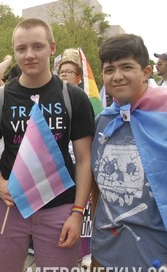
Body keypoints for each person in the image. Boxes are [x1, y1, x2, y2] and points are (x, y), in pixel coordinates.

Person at [0, 18, 94, 271]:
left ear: (52, 47)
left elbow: (85, 160)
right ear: (14, 51)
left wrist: (78, 213)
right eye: (21, 49)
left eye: (37, 46)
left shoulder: (73, 97)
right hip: (9, 207)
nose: (29, 55)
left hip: (60, 207)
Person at [91, 34, 167, 268]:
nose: (117, 76)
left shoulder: (164, 116)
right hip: (104, 250)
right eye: (109, 69)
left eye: (126, 67)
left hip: (154, 254)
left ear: (146, 72)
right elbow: (96, 186)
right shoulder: (102, 122)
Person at [58, 48, 92, 269]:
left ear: (78, 78)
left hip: (80, 166)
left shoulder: (85, 101)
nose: (64, 75)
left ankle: (87, 250)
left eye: (69, 71)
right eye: (61, 71)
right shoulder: (53, 99)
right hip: (61, 170)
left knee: (84, 210)